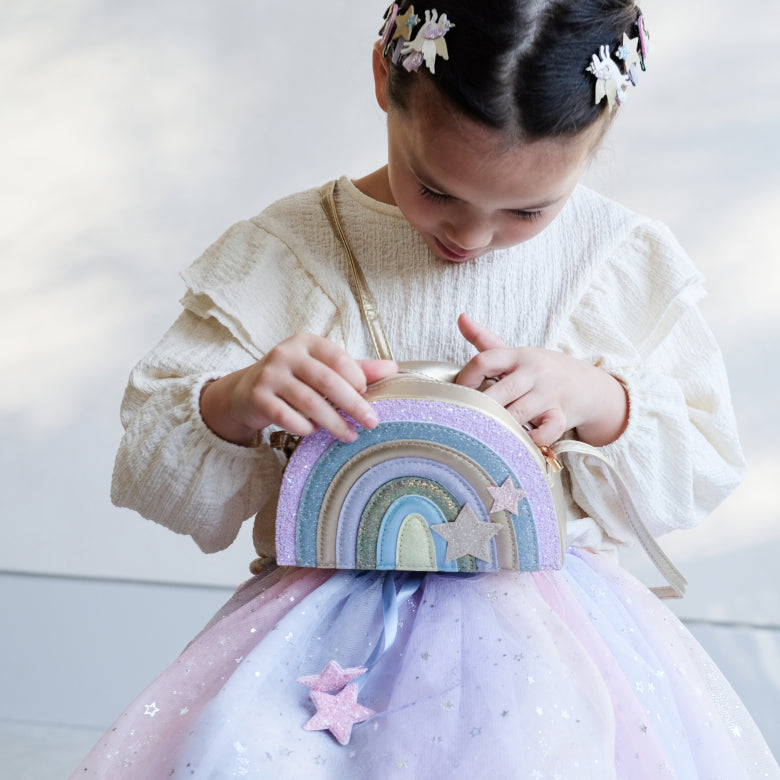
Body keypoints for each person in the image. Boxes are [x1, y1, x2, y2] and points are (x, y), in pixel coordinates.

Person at [72, 1, 779, 777]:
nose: (470, 239)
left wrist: (602, 400)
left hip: (556, 638)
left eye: (527, 210)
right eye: (437, 190)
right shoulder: (286, 253)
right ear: (384, 77)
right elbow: (150, 471)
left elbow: (705, 466)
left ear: (598, 139)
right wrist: (233, 402)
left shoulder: (616, 264)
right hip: (320, 646)